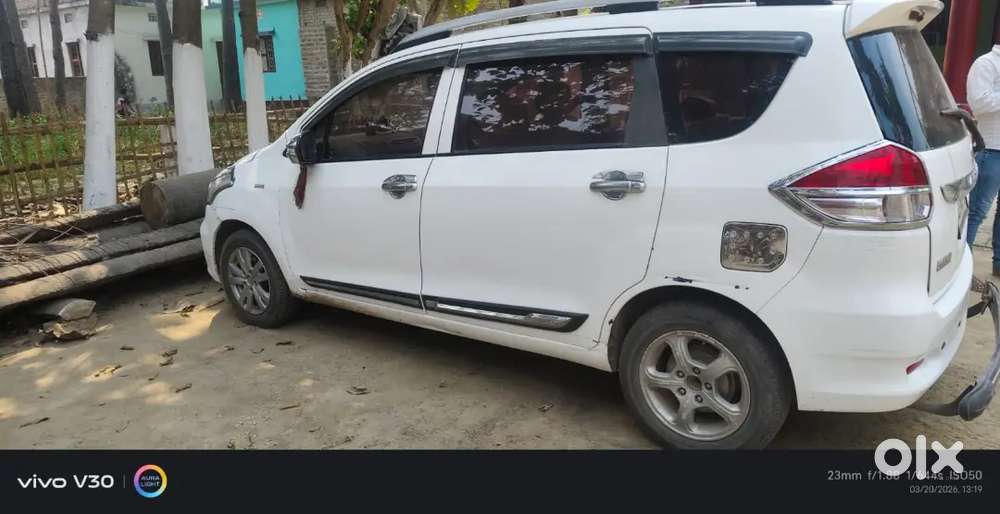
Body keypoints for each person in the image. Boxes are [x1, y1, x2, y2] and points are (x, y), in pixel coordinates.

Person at [966, 44, 1000, 278]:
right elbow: (978, 103)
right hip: (992, 149)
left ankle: (999, 262)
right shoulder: (986, 63)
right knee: (976, 212)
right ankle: (961, 266)